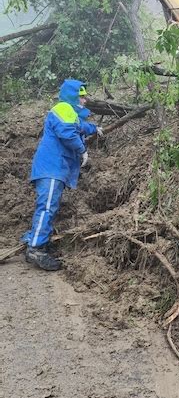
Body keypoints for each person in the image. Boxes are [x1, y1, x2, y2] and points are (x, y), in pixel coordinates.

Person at [22, 79, 103, 271]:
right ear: (73, 96)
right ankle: (35, 248)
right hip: (51, 168)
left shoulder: (68, 113)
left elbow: (79, 126)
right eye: (82, 97)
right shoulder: (63, 107)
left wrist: (94, 129)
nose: (85, 101)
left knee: (49, 205)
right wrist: (82, 149)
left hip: (53, 169)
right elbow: (68, 133)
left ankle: (36, 239)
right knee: (47, 206)